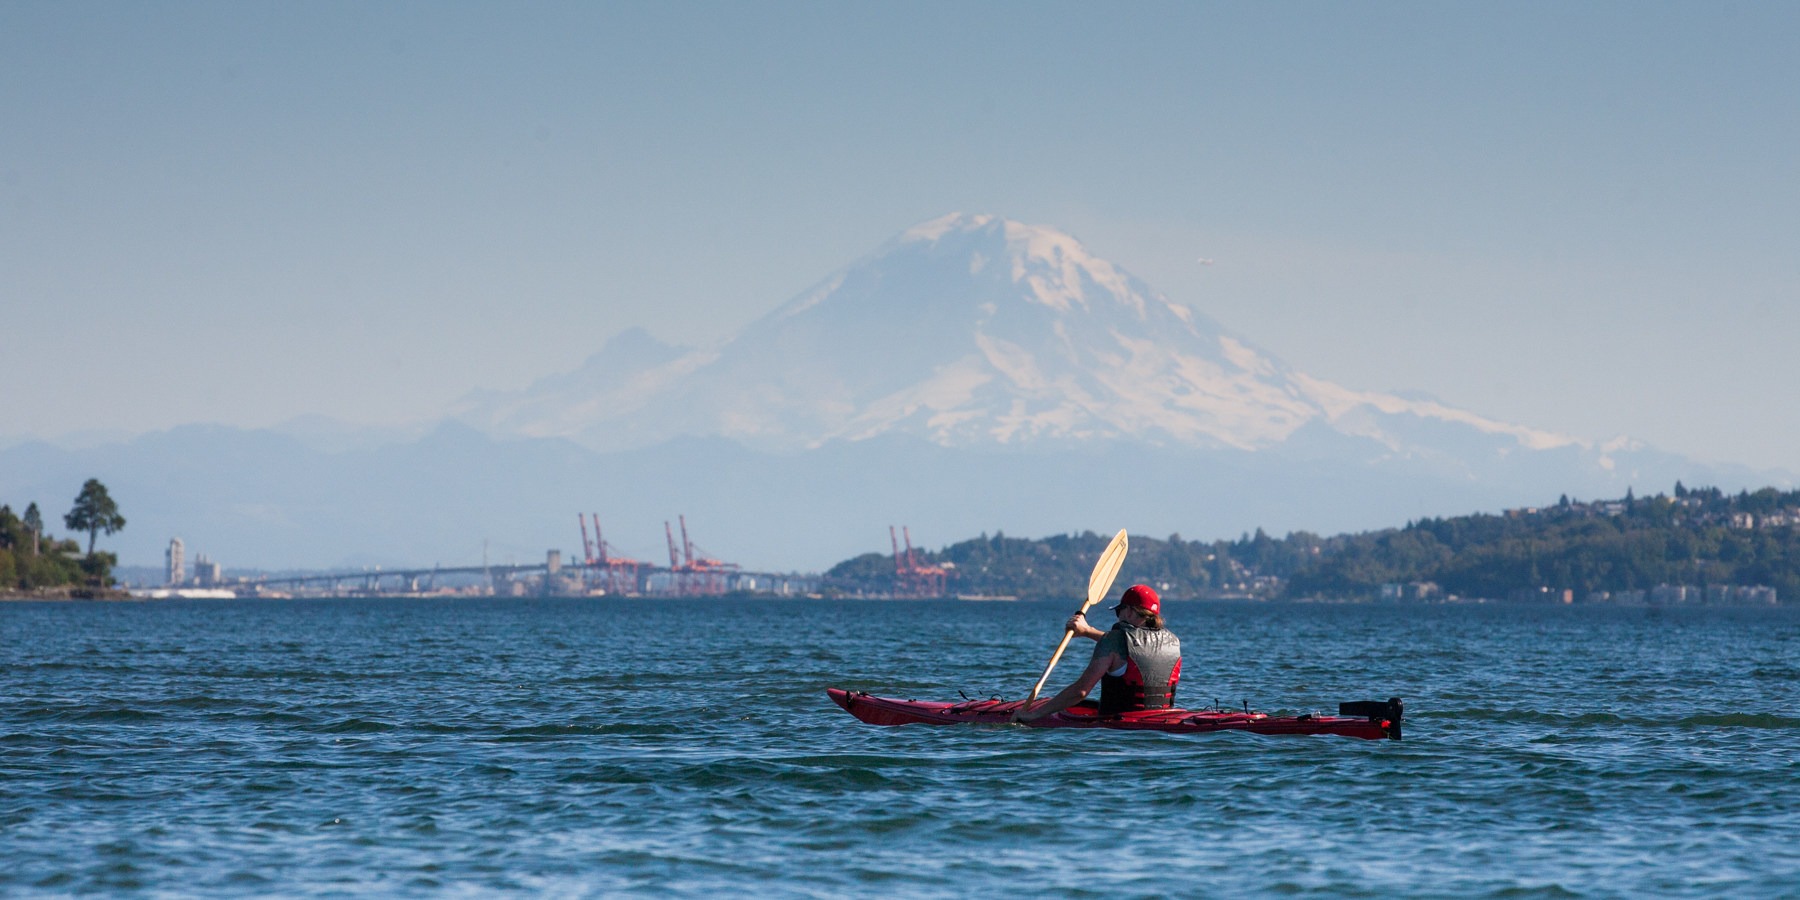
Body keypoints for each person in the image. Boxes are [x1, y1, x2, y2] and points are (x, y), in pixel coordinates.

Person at [1012, 584, 1181, 723]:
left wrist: (1032, 715)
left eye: (1119, 611)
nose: (1118, 617)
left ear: (1129, 612)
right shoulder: (1173, 642)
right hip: (1163, 720)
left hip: (1118, 731)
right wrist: (1086, 631)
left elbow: (1081, 692)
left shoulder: (1114, 641)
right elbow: (1130, 647)